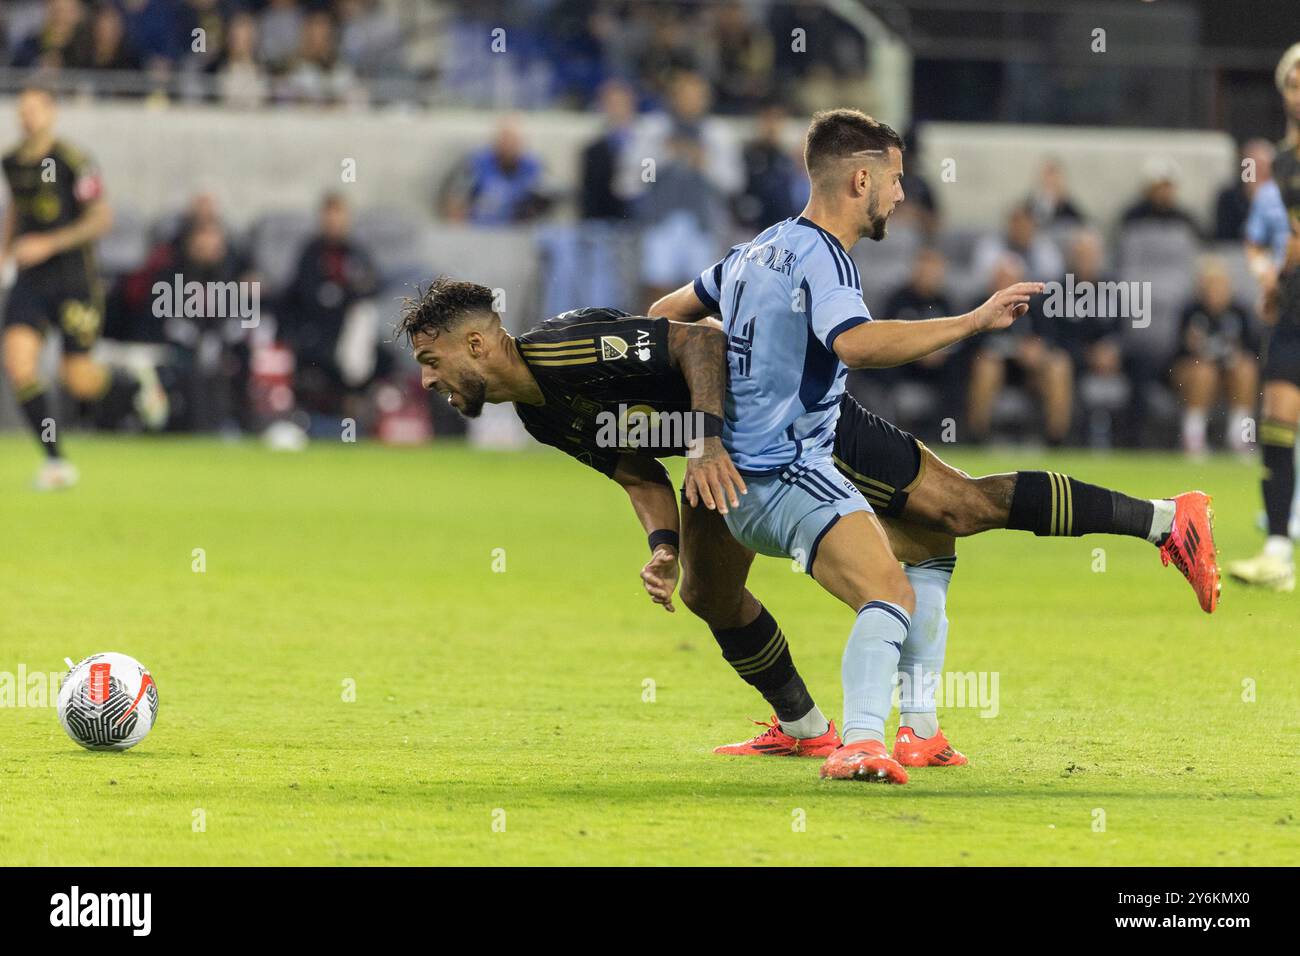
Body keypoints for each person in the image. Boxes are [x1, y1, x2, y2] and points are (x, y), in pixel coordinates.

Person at [1, 84, 166, 489]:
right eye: (21, 110)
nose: (27, 118)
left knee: (76, 377)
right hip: (31, 283)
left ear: (52, 112)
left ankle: (132, 383)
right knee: (19, 364)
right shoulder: (12, 163)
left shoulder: (73, 160)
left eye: (35, 109)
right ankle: (55, 460)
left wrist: (49, 244)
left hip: (74, 279)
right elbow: (17, 210)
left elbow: (101, 218)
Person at [1226, 43, 1300, 592]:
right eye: (1294, 83)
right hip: (1295, 307)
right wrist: (1275, 281)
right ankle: (1278, 551)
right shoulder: (1285, 160)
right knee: (1277, 420)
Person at [1170, 258, 1259, 457]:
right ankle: (1193, 437)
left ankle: (1241, 437)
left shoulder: (1239, 312)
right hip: (1196, 375)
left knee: (1246, 369)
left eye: (1219, 285)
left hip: (1230, 374)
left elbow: (1251, 350)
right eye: (1210, 285)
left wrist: (1233, 355)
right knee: (1204, 372)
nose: (1215, 291)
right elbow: (1177, 353)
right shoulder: (1190, 311)